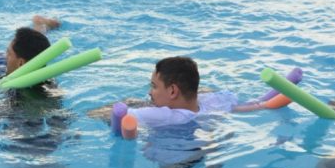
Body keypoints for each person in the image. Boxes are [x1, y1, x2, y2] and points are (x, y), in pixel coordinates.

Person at [94, 56, 266, 128]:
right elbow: (247, 104)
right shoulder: (216, 100)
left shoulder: (164, 115)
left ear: (172, 91)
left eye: (154, 86)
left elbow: (109, 114)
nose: (150, 92)